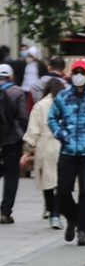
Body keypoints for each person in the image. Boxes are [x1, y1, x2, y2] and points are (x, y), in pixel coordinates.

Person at [47, 60, 85, 244]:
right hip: (67, 151)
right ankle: (72, 218)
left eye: (82, 72)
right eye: (76, 72)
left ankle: (83, 229)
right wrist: (61, 134)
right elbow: (52, 118)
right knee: (63, 191)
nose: (79, 75)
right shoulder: (63, 96)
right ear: (71, 74)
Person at [22, 78, 65, 229]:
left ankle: (52, 211)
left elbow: (33, 131)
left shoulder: (40, 106)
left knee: (47, 182)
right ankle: (57, 213)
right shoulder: (67, 103)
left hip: (45, 146)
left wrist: (27, 151)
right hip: (64, 147)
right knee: (61, 183)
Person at [0, 64, 29, 224]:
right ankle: (5, 211)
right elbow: (23, 117)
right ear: (11, 76)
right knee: (11, 176)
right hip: (12, 140)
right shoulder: (17, 92)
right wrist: (25, 136)